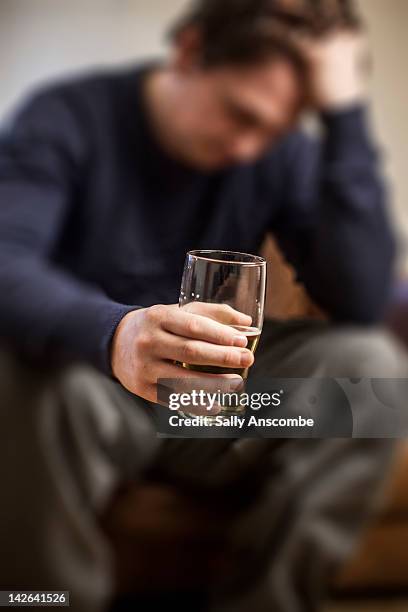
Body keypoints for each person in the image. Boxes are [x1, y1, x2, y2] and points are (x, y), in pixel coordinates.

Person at [0, 0, 406, 610]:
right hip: (86, 398)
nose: (250, 149)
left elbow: (364, 297)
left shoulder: (276, 152)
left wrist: (344, 115)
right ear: (188, 52)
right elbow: (6, 264)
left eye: (275, 128)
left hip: (216, 411)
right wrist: (118, 335)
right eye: (240, 115)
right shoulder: (68, 117)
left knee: (370, 369)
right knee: (29, 377)